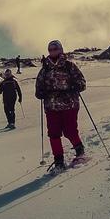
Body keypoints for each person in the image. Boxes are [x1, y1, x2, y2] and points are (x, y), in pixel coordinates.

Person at [34, 39, 86, 170]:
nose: (52, 52)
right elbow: (39, 85)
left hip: (70, 104)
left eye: (55, 49)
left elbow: (82, 82)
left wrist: (75, 86)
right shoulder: (44, 69)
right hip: (51, 106)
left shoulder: (69, 66)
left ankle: (79, 150)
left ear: (60, 50)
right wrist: (39, 92)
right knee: (54, 133)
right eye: (50, 49)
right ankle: (58, 161)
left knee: (70, 131)